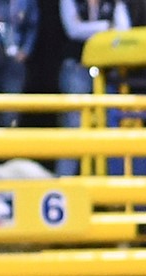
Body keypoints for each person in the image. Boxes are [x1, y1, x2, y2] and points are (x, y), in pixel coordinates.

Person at [57, 0, 130, 178]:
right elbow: (73, 29)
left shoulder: (113, 2)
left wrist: (91, 29)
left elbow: (125, 29)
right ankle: (63, 182)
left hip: (107, 70)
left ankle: (111, 187)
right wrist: (107, 27)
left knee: (111, 125)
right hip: (77, 66)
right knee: (74, 126)